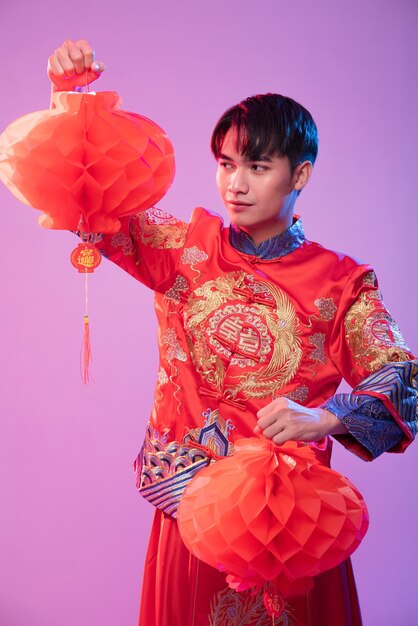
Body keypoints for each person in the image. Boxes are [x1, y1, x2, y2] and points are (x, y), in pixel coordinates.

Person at [48, 39, 417, 626]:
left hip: (292, 527)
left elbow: (403, 377)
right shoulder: (186, 247)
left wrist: (328, 417)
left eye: (256, 166)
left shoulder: (340, 283)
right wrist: (72, 102)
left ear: (301, 173)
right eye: (225, 164)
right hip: (191, 505)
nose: (235, 185)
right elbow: (88, 198)